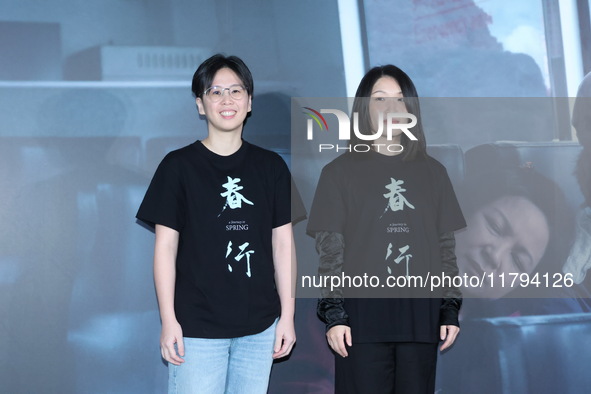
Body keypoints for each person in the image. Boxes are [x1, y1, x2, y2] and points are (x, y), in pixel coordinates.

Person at [136, 54, 298, 394]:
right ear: (200, 104)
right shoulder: (177, 167)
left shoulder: (271, 167)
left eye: (236, 91)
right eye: (215, 92)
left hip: (260, 327)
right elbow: (165, 248)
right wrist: (169, 321)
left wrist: (287, 316)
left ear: (249, 101)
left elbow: (283, 244)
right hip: (196, 328)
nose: (227, 100)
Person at [306, 65, 466, 394]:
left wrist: (449, 309)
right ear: (364, 107)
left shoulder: (434, 172)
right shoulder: (338, 172)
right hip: (360, 324)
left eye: (400, 99)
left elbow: (445, 248)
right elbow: (330, 252)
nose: (392, 108)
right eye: (380, 99)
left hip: (420, 321)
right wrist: (335, 316)